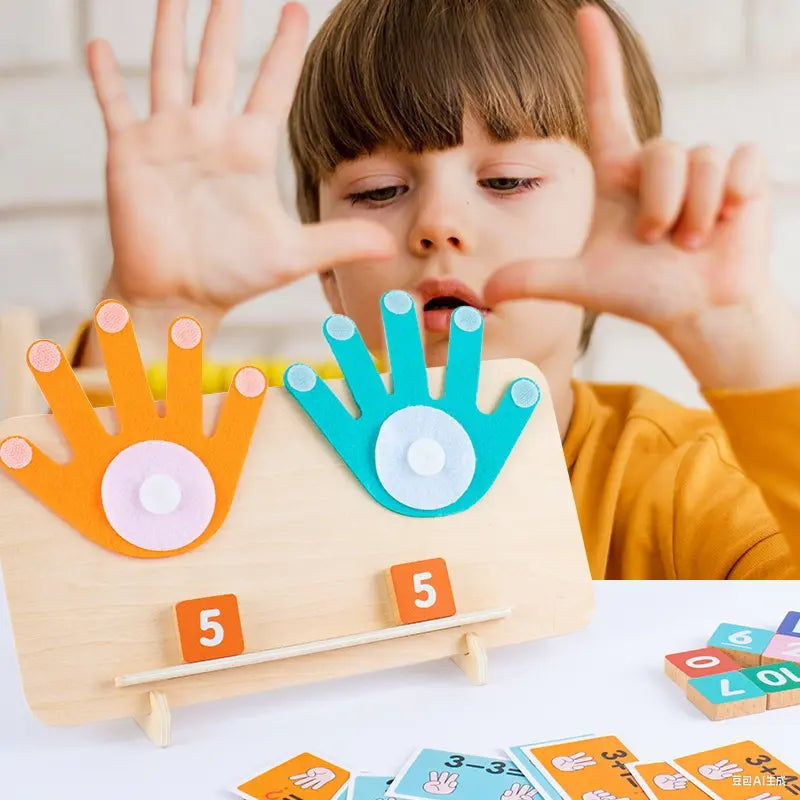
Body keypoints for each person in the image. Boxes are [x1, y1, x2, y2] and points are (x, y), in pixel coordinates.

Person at [77, 0, 800, 578]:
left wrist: (736, 336)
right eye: (379, 190)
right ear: (327, 273)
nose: (439, 224)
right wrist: (154, 314)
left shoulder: (681, 484)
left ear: (613, 221)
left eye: (507, 181)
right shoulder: (251, 449)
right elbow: (75, 559)